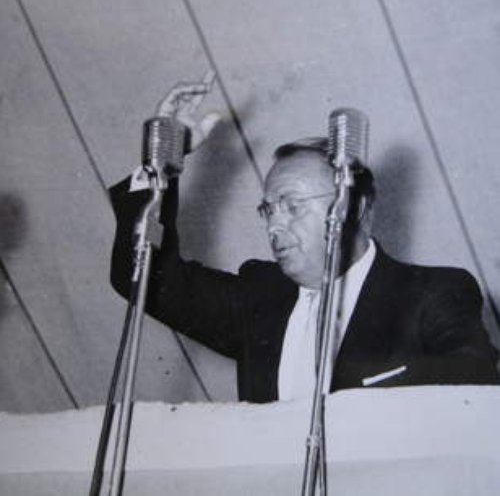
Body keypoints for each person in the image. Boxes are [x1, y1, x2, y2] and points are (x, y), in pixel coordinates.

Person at [110, 137, 500, 403]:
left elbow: (477, 390)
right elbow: (142, 276)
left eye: (292, 206)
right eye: (268, 210)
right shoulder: (258, 296)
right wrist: (162, 157)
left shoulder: (432, 293)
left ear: (356, 209)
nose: (274, 226)